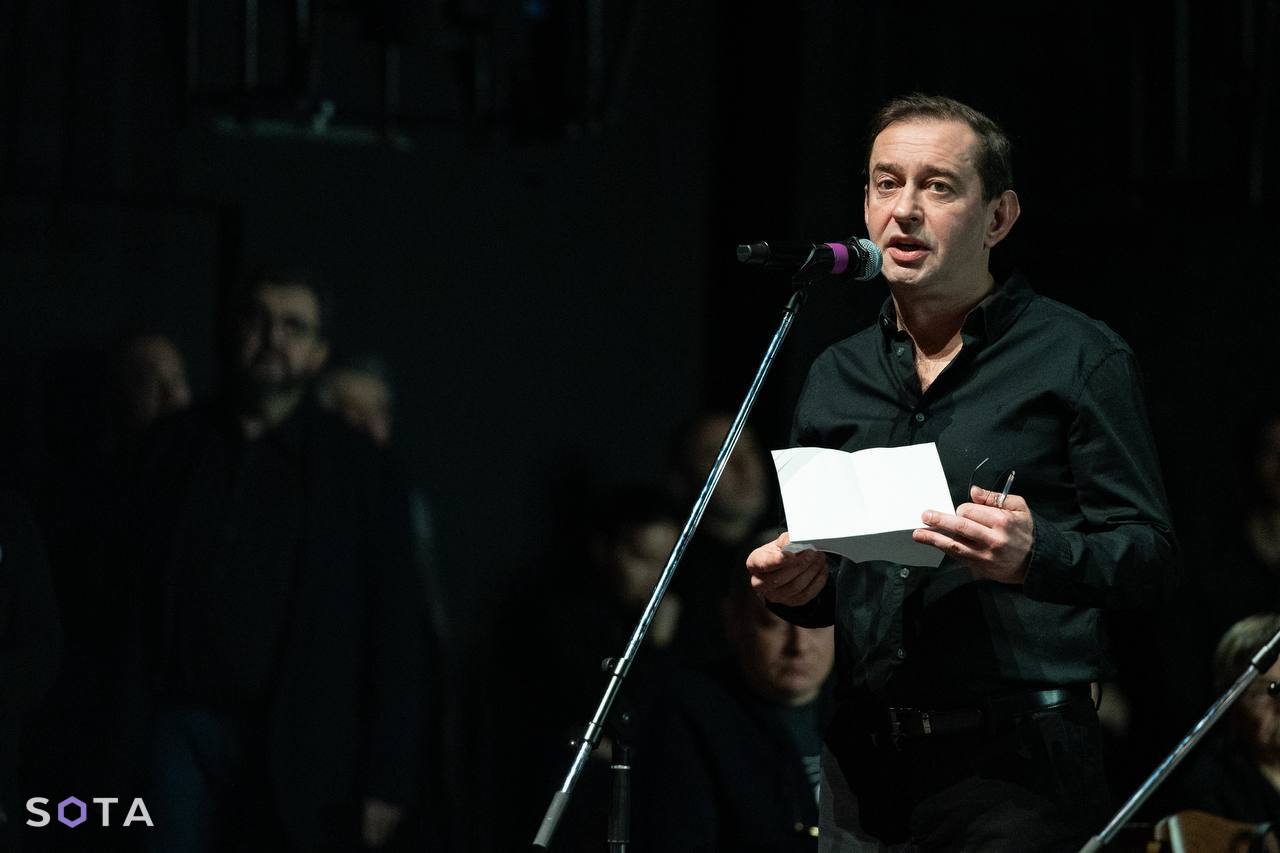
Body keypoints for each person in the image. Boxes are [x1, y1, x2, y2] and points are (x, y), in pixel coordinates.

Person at [745, 94, 1178, 852]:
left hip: (1019, 765)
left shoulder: (1078, 358)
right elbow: (839, 585)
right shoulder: (836, 376)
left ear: (998, 217)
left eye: (938, 186)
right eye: (886, 184)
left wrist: (1036, 553)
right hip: (864, 770)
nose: (904, 210)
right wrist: (798, 588)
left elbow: (1150, 556)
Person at [122, 270, 425, 852]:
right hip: (176, 725)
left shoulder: (361, 470)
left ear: (319, 351)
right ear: (230, 331)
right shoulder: (170, 448)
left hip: (302, 742)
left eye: (293, 326)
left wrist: (387, 779)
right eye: (257, 320)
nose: (273, 338)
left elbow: (396, 630)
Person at [634, 534, 834, 852]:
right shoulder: (691, 712)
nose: (799, 645)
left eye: (816, 623)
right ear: (734, 619)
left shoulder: (864, 704)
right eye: (774, 622)